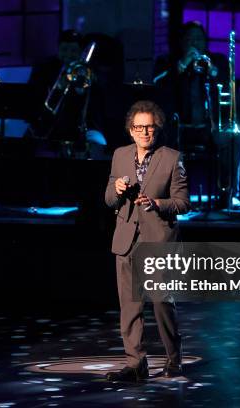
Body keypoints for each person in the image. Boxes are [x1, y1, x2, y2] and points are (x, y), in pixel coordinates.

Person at [104, 100, 189, 382]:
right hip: (126, 239)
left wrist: (157, 203)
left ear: (157, 129)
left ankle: (174, 358)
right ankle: (135, 363)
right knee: (130, 305)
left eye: (149, 127)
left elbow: (182, 203)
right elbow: (107, 199)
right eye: (139, 127)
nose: (144, 132)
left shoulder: (172, 158)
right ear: (130, 130)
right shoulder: (119, 155)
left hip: (158, 241)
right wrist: (116, 190)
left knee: (162, 303)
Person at [154, 21, 240, 209]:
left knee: (233, 138)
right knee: (159, 138)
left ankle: (228, 193)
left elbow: (228, 86)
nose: (195, 43)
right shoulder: (168, 62)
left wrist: (212, 72)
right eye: (190, 39)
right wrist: (182, 66)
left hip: (208, 128)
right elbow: (158, 85)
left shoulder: (216, 61)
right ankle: (166, 194)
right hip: (178, 128)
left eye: (199, 39)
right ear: (181, 42)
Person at [27, 29, 105, 148]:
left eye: (73, 50)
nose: (68, 55)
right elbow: (33, 98)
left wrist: (91, 83)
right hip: (49, 124)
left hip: (84, 126)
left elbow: (98, 102)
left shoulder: (88, 70)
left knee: (100, 144)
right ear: (57, 50)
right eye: (64, 50)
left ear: (80, 52)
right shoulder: (44, 68)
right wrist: (59, 86)